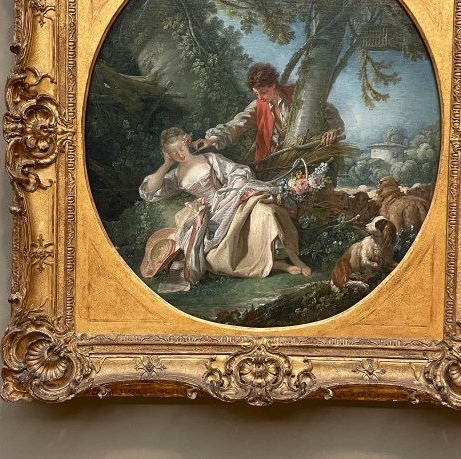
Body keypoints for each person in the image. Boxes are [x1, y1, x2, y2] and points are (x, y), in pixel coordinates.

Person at [139, 127, 312, 289]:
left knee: (266, 211)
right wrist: (166, 164)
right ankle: (275, 264)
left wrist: (228, 198)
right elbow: (149, 192)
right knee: (215, 257)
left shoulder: (209, 159)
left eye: (181, 149)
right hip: (212, 214)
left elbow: (239, 174)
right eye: (173, 154)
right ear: (168, 155)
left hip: (232, 199)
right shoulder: (175, 176)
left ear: (187, 141)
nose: (180, 155)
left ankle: (294, 257)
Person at [193, 63, 344, 163]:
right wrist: (211, 140)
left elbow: (329, 111)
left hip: (303, 155)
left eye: (264, 92)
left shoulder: (297, 94)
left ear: (274, 85)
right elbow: (237, 124)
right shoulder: (258, 105)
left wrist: (333, 129)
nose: (260, 98)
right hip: (273, 158)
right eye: (256, 94)